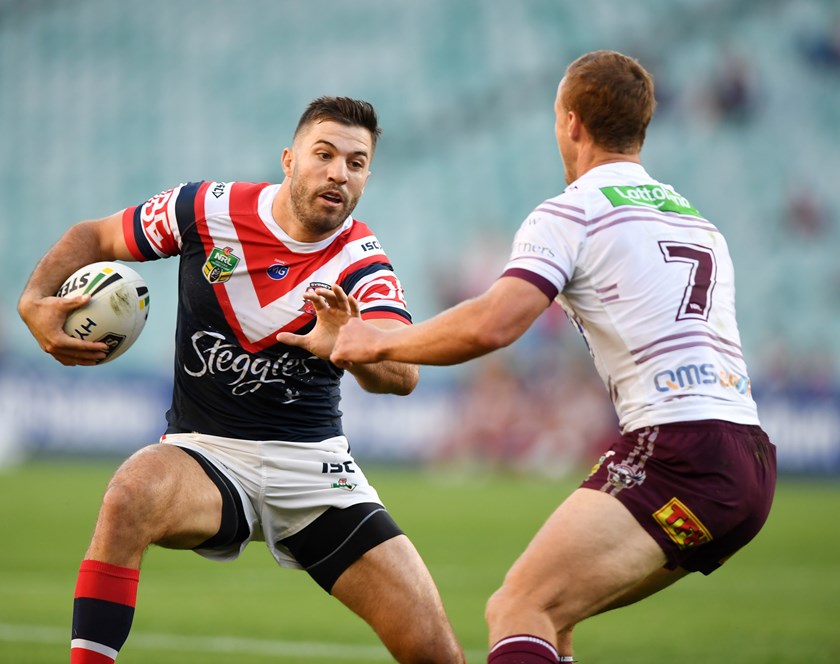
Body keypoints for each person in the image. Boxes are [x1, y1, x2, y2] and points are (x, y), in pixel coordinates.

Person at [315, 52, 778, 663]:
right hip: (749, 459)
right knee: (551, 622)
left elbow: (495, 324)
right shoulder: (697, 222)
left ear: (571, 123)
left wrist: (374, 339)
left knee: (517, 607)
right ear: (641, 128)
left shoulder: (572, 210)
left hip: (679, 451)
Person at [18, 96, 465, 664]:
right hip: (207, 454)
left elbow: (403, 375)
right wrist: (34, 300)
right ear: (288, 159)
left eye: (355, 163)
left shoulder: (362, 261)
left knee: (435, 651)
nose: (338, 173)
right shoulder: (205, 210)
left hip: (314, 472)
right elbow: (96, 237)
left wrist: (349, 345)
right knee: (131, 493)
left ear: (367, 176)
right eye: (323, 155)